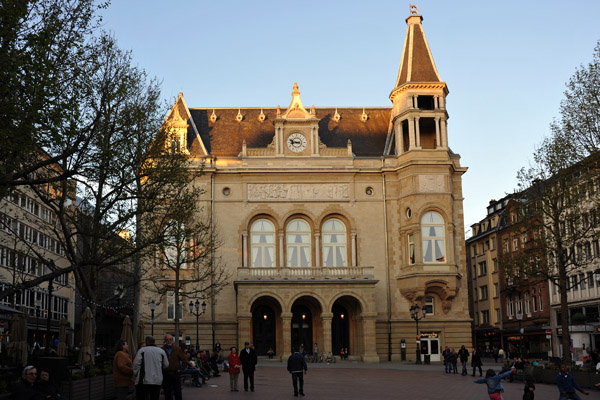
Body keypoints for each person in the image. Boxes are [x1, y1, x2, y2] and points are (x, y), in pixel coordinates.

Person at [133, 336, 169, 400]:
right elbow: (166, 365)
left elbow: (136, 364)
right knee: (155, 397)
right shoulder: (161, 351)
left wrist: (135, 373)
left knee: (142, 397)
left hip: (144, 380)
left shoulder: (142, 350)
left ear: (146, 342)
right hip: (157, 379)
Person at [162, 334, 188, 400]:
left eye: (170, 339)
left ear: (173, 341)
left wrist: (181, 369)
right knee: (167, 392)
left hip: (176, 373)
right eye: (167, 340)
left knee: (177, 391)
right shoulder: (162, 349)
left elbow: (185, 360)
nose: (169, 341)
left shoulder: (177, 349)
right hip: (166, 373)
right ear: (165, 341)